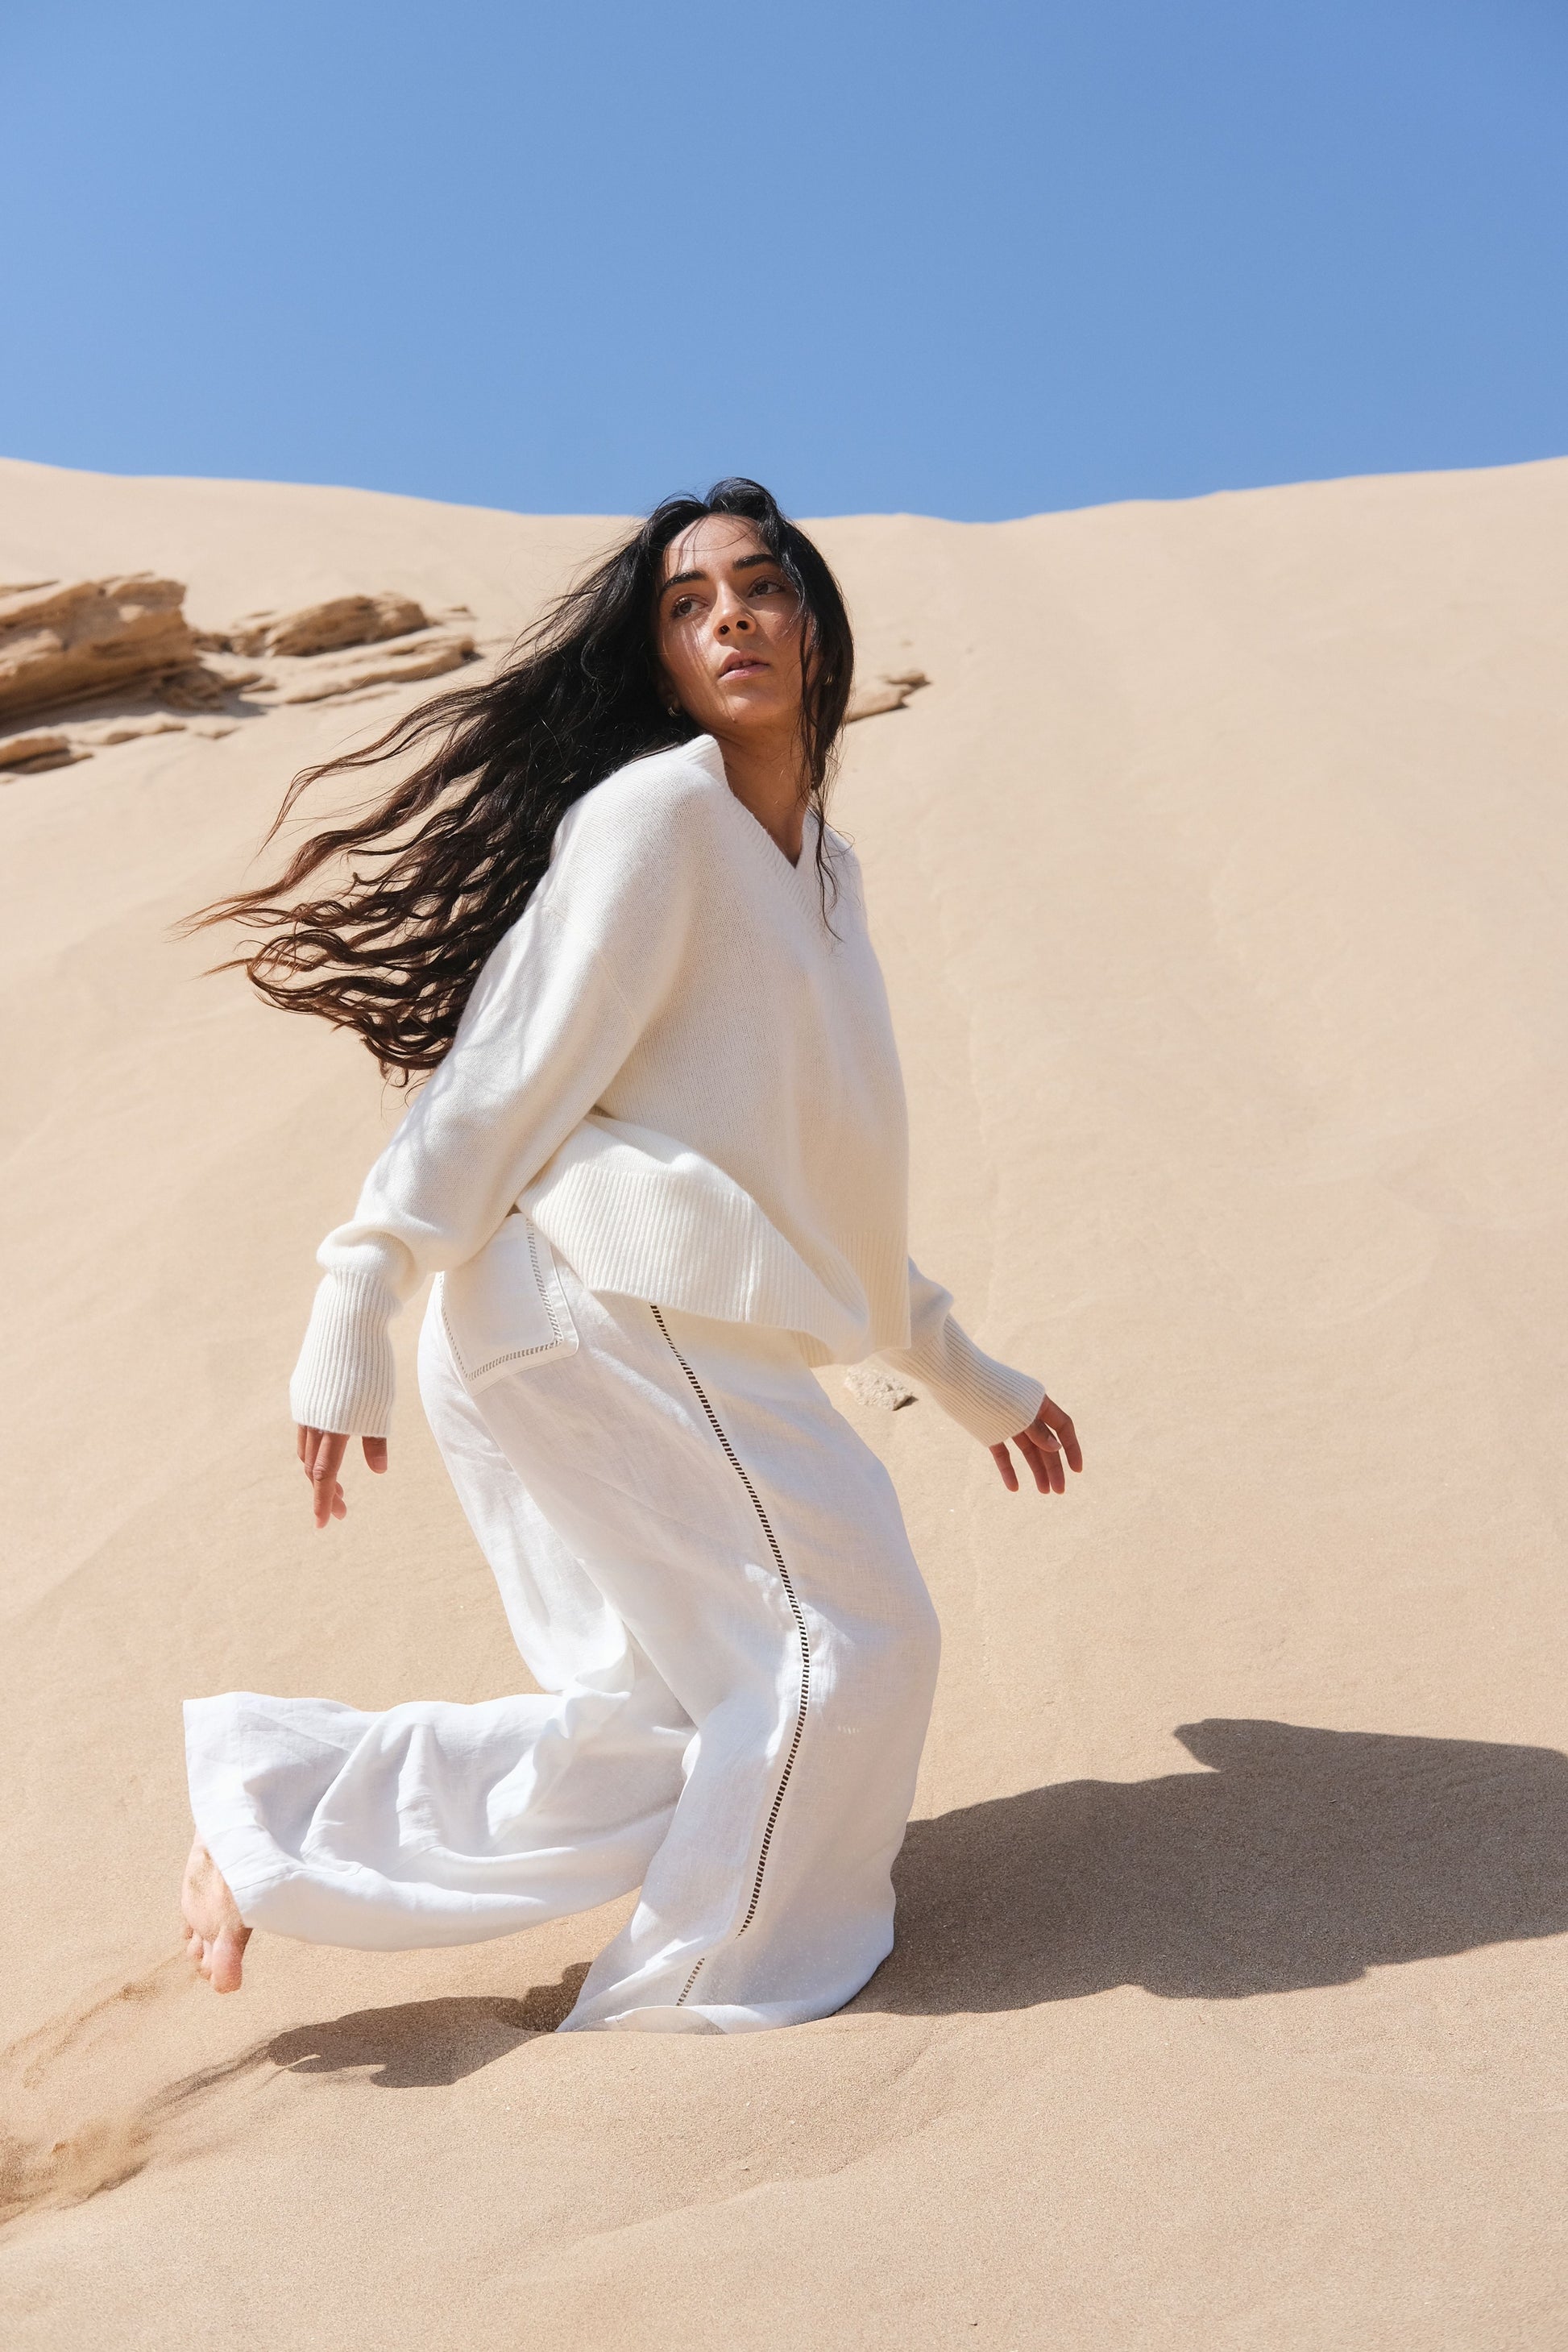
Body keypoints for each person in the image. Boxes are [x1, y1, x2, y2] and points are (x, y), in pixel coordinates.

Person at [179, 478, 1082, 2032]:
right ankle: (687, 2027)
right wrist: (359, 1290)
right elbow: (502, 1078)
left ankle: (280, 1810)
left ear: (812, 620)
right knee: (847, 1646)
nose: (726, 616)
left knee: (675, 1724)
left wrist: (959, 1370)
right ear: (660, 660)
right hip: (599, 1289)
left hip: (624, 1308)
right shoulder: (656, 818)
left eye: (758, 585)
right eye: (685, 602)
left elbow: (833, 1181)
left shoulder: (823, 876)